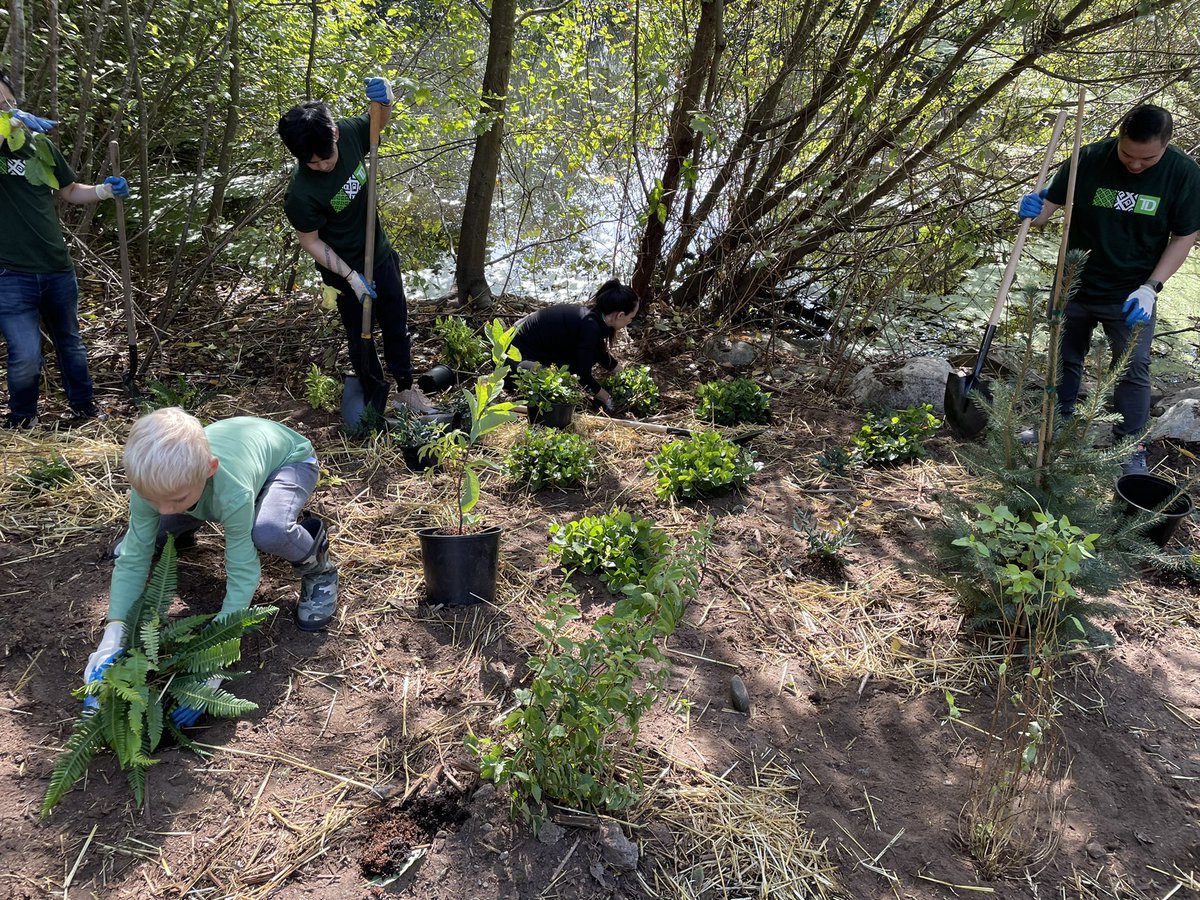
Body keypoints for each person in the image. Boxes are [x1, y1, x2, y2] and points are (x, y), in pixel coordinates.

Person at [83, 408, 338, 725]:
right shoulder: (157, 487)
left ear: (208, 470)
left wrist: (219, 648)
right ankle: (181, 530)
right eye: (151, 499)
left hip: (290, 461)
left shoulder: (232, 490)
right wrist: (114, 633)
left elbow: (243, 571)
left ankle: (319, 566)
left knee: (269, 530)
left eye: (176, 499)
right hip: (211, 481)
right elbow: (133, 558)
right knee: (153, 530)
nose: (164, 509)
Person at [1019, 104, 1200, 474]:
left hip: (1132, 292)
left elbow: (1185, 236)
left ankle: (1129, 448)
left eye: (1147, 159)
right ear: (1119, 138)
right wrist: (1030, 209)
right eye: (1127, 154)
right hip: (1074, 281)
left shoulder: (1184, 174)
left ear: (1166, 145)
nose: (1135, 165)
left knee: (1132, 367)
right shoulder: (1087, 159)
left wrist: (1151, 287)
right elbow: (1045, 210)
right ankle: (1054, 428)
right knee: (1063, 357)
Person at [278, 78, 434, 426]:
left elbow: (378, 121)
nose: (322, 166)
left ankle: (406, 390)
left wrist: (386, 101)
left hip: (379, 253)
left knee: (395, 321)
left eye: (326, 159)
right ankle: (372, 390)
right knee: (360, 334)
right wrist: (351, 277)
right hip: (342, 269)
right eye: (312, 164)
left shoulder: (347, 134)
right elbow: (310, 241)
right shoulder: (300, 194)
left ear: (334, 135)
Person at [0, 67, 130, 429]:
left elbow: (69, 190)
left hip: (56, 267)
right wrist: (8, 126)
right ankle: (22, 421)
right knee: (25, 353)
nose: (7, 109)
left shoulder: (39, 146)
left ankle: (85, 409)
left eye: (9, 102)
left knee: (70, 343)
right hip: (10, 273)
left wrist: (104, 190)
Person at [510, 279, 639, 412]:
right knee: (557, 390)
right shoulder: (590, 326)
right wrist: (608, 399)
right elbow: (582, 374)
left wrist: (626, 375)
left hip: (531, 352)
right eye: (631, 318)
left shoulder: (595, 316)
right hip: (513, 361)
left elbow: (600, 354)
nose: (630, 321)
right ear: (620, 315)